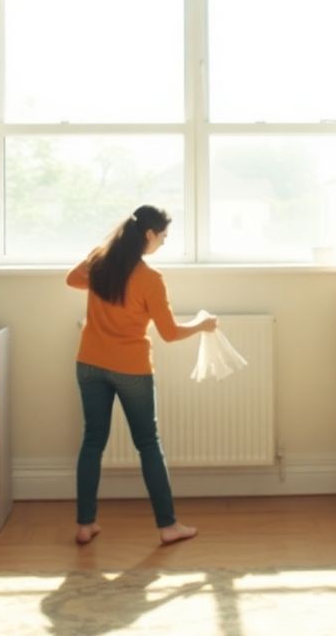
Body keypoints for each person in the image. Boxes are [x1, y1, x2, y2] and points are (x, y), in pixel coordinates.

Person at [66, 205, 217, 546]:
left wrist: (104, 274)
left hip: (89, 363)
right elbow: (170, 333)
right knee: (148, 444)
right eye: (162, 237)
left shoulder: (100, 261)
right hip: (131, 369)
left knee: (92, 441)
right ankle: (168, 526)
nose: (163, 243)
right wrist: (203, 325)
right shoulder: (150, 279)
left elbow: (72, 279)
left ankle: (85, 525)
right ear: (149, 235)